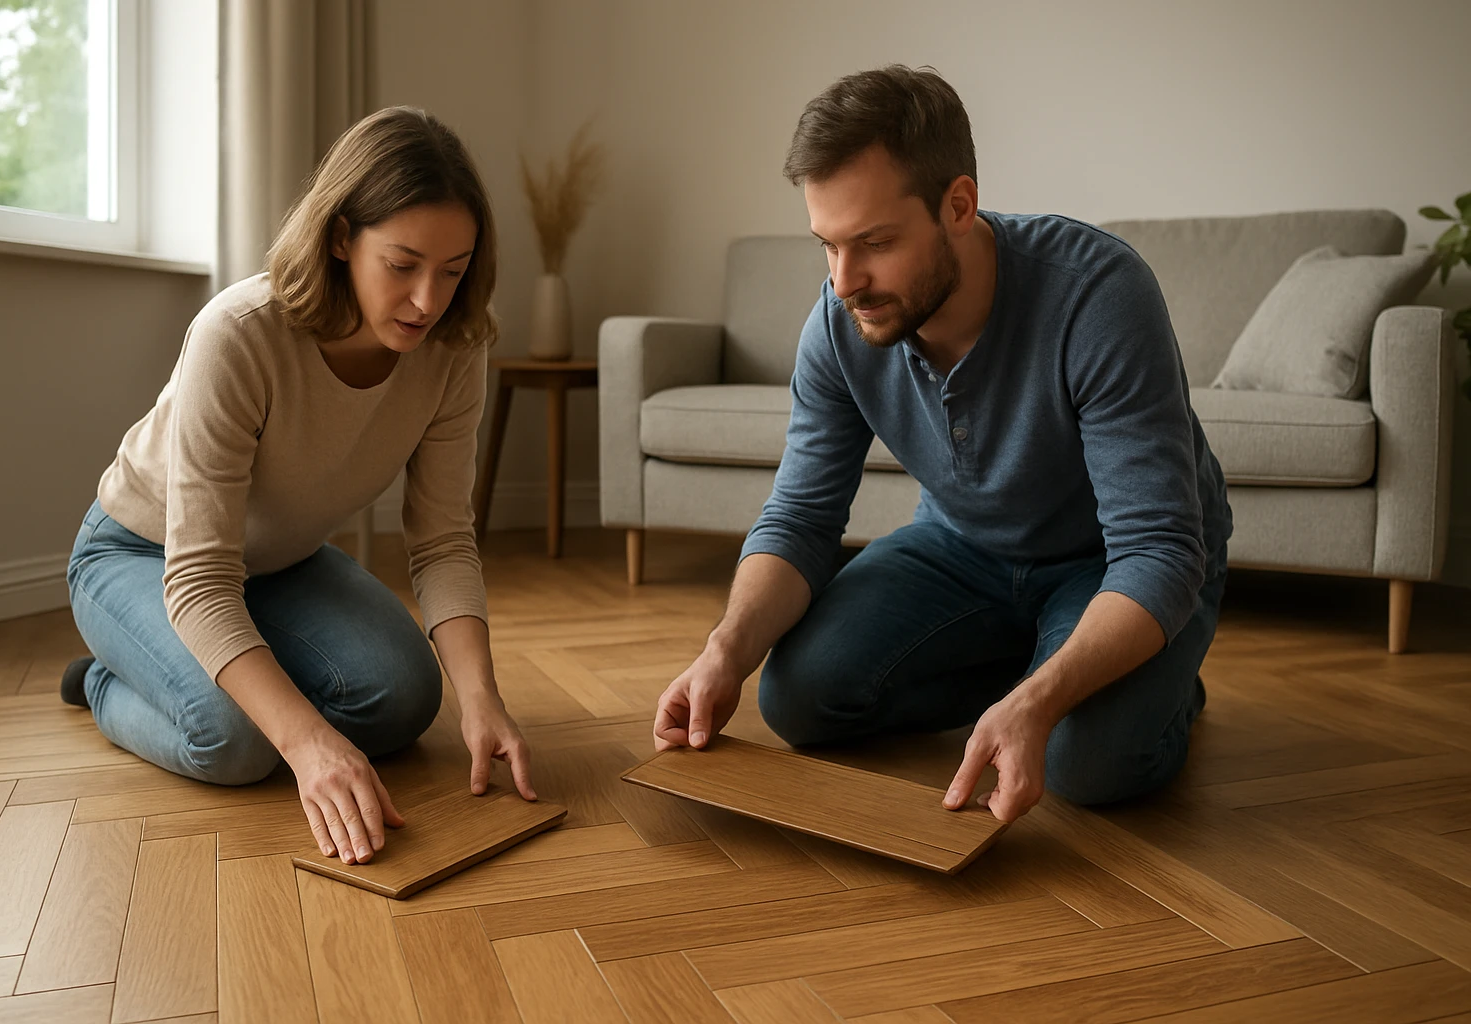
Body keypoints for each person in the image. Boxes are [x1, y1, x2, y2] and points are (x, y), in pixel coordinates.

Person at [652, 66, 1231, 823]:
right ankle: (1032, 668)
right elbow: (798, 519)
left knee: (1087, 763)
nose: (845, 280)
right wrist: (723, 650)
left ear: (958, 205)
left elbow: (1158, 548)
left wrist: (1042, 702)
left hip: (1117, 564)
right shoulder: (839, 319)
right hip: (962, 548)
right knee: (794, 697)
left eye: (874, 243)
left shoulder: (1099, 295)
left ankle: (1162, 686)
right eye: (826, 245)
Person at [64, 106, 536, 867]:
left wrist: (481, 700)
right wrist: (309, 744)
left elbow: (444, 539)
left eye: (453, 271)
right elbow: (201, 577)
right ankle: (111, 680)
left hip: (277, 563)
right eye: (403, 264)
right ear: (343, 236)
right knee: (236, 740)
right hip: (143, 556)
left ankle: (209, 675)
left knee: (407, 698)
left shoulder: (453, 347)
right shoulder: (239, 334)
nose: (428, 300)